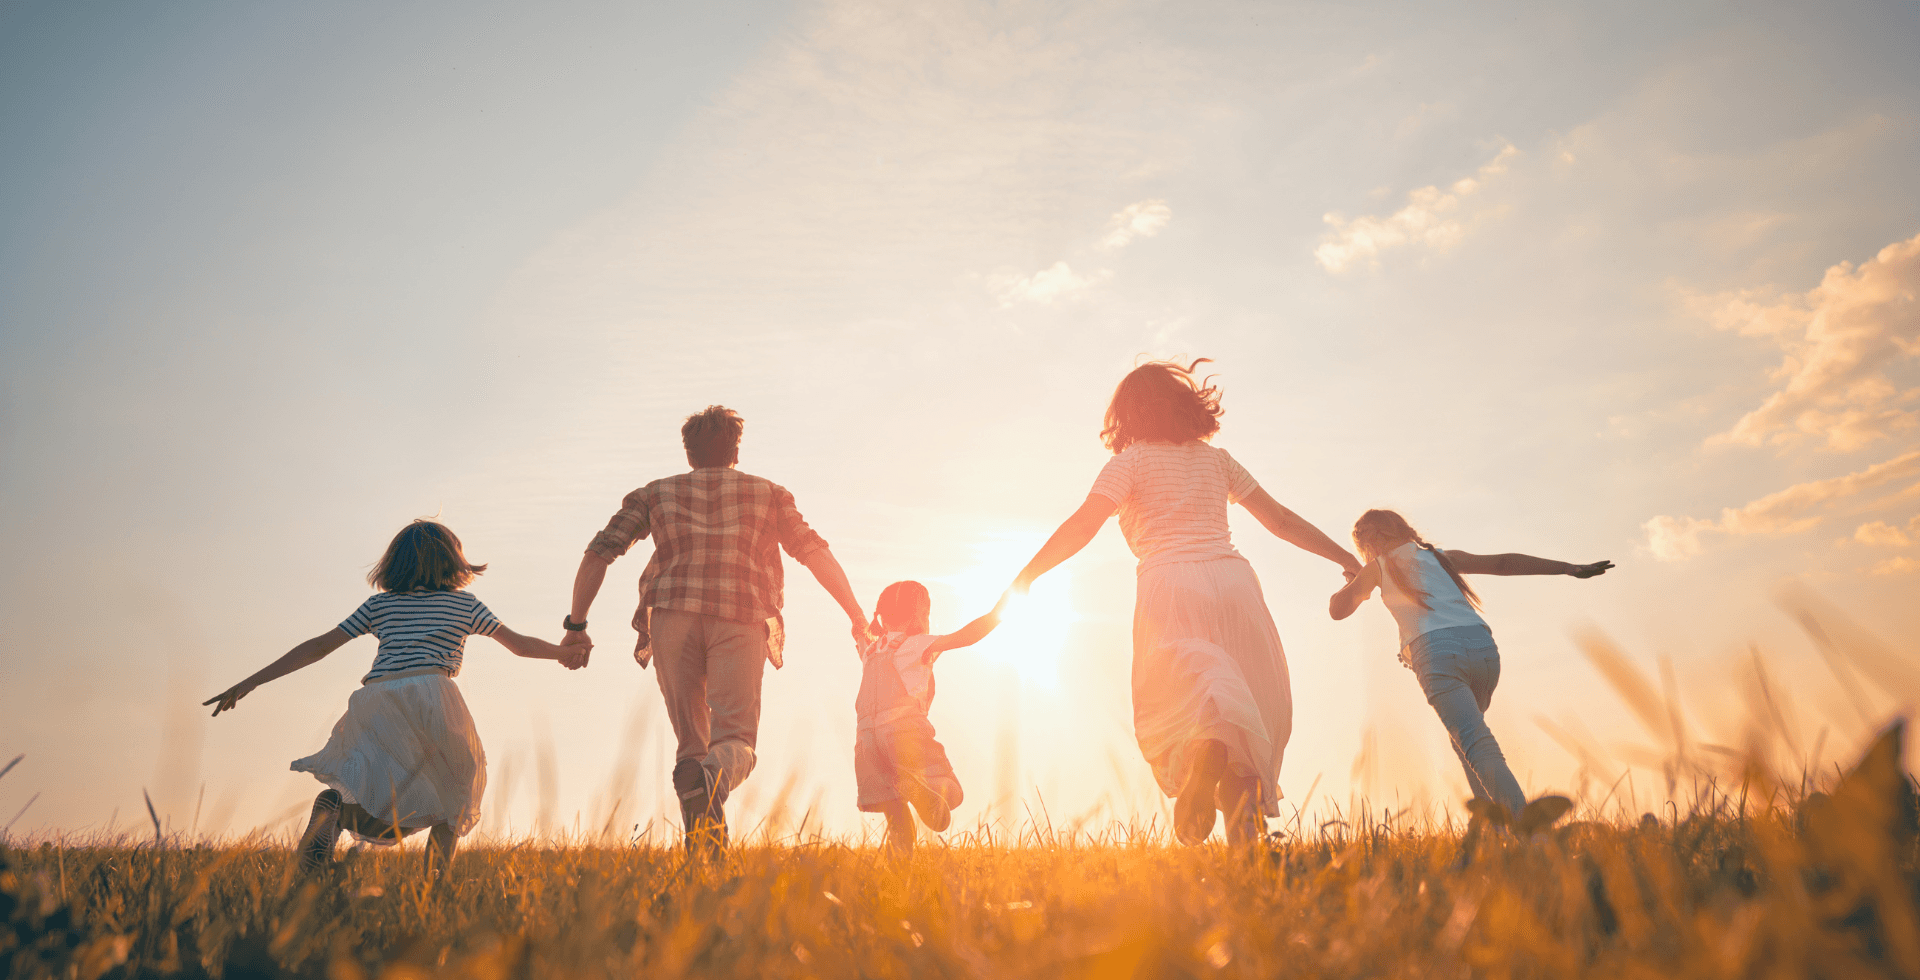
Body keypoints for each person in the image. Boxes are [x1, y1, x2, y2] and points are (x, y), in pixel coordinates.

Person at [1010, 359, 1360, 845]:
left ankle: (1204, 751)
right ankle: (1248, 857)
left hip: (1169, 582)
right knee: (1249, 711)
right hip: (1235, 583)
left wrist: (1027, 576)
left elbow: (1083, 525)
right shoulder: (1217, 460)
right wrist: (1346, 558)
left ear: (1127, 415)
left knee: (1187, 697)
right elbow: (1279, 520)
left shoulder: (1129, 463)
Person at [561, 405, 868, 856]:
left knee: (693, 742)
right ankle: (708, 793)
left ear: (688, 454)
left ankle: (705, 854)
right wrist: (856, 615)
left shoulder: (655, 493)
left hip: (672, 616)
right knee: (735, 740)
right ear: (735, 451)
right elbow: (813, 552)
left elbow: (599, 553)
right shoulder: (768, 493)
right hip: (739, 612)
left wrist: (577, 626)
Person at [203, 520, 584, 878]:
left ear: (393, 563)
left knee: (379, 784)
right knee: (456, 792)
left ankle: (334, 812)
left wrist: (251, 681)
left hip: (377, 698)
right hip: (433, 695)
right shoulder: (464, 605)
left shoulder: (380, 605)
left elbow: (319, 646)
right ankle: (433, 886)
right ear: (453, 560)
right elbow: (519, 646)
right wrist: (564, 652)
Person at [1328, 508, 1612, 821]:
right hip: (1483, 651)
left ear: (1371, 541)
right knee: (1465, 741)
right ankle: (1494, 828)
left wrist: (1353, 581)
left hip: (1436, 653)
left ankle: (1529, 832)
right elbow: (1503, 563)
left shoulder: (1378, 566)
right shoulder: (1439, 557)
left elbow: (1338, 610)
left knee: (1475, 743)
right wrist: (1570, 568)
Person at [855, 581, 1004, 858]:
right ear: (916, 617)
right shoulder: (916, 644)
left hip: (866, 741)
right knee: (954, 793)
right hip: (903, 731)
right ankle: (922, 788)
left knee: (896, 816)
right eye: (926, 613)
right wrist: (1001, 610)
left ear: (883, 616)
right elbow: (967, 636)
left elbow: (859, 631)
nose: (927, 620)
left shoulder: (870, 649)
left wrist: (858, 619)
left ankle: (898, 878)